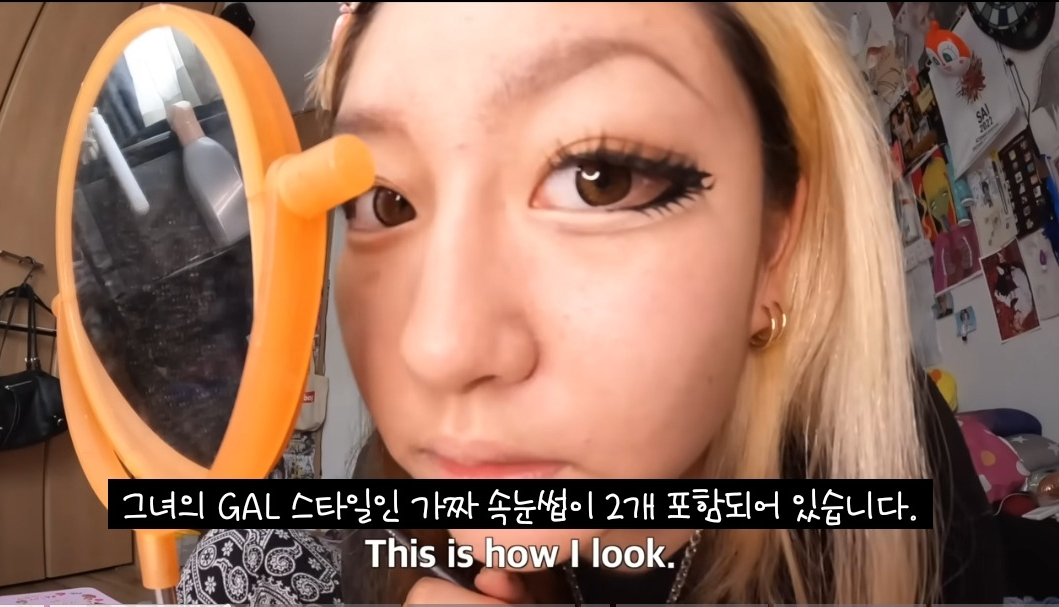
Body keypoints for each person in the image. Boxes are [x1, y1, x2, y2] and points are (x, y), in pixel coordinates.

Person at [176, 2, 1005, 604]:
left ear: (772, 249)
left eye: (597, 179)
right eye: (387, 201)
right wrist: (405, 586)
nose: (436, 347)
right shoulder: (417, 484)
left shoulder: (884, 474)